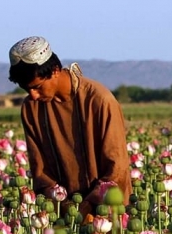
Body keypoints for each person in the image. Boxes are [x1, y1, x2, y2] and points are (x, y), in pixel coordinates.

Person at [7, 36, 132, 217]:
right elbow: (40, 169)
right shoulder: (31, 108)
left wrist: (88, 206)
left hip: (107, 211)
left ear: (55, 71)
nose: (33, 95)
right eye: (27, 90)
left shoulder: (99, 100)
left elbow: (116, 167)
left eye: (37, 87)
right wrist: (61, 202)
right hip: (64, 212)